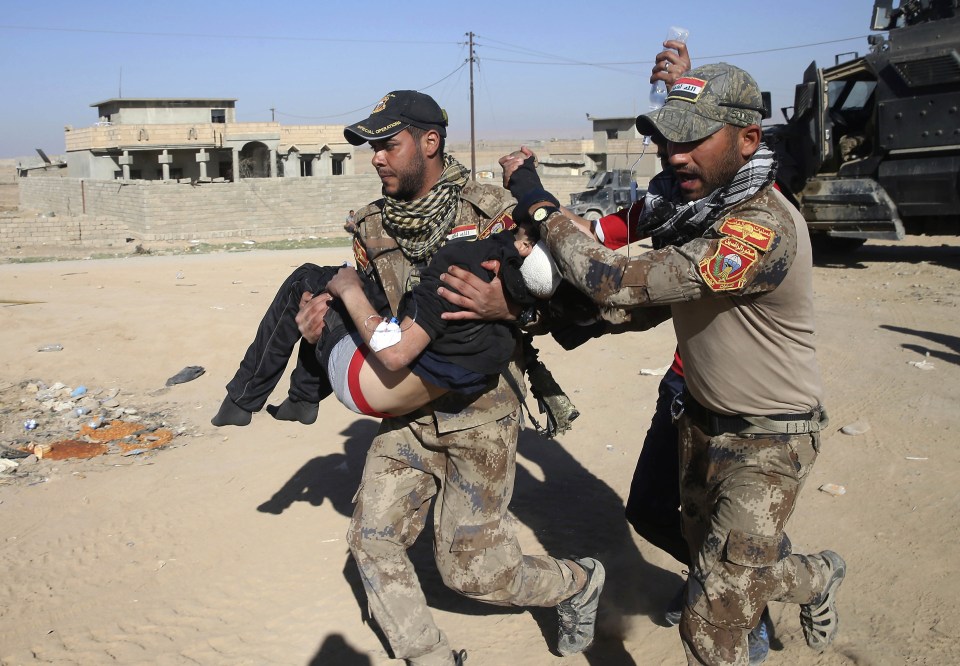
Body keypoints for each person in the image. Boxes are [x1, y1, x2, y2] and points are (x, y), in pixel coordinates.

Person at [442, 64, 846, 666]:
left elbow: (612, 281)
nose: (673, 155)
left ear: (748, 140)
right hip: (701, 419)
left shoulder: (760, 228)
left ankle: (741, 610)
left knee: (712, 629)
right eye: (667, 139)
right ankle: (813, 575)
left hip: (769, 441)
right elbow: (638, 309)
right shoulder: (700, 214)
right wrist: (525, 312)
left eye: (692, 140)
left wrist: (540, 204)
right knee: (674, 532)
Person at [295, 90, 605, 666]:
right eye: (372, 149)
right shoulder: (370, 225)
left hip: (480, 413)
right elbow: (377, 315)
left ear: (429, 142)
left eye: (388, 145)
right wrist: (324, 327)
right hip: (406, 410)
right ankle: (430, 656)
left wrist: (508, 310)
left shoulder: (494, 208)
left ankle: (576, 582)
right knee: (372, 539)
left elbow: (574, 299)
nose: (377, 159)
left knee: (475, 572)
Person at [211, 221, 554, 426]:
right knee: (330, 291)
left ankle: (243, 399)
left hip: (366, 376)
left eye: (388, 145)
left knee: (311, 284)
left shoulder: (459, 267)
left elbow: (393, 350)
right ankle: (301, 397)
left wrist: (346, 290)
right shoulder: (495, 327)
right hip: (409, 364)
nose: (377, 158)